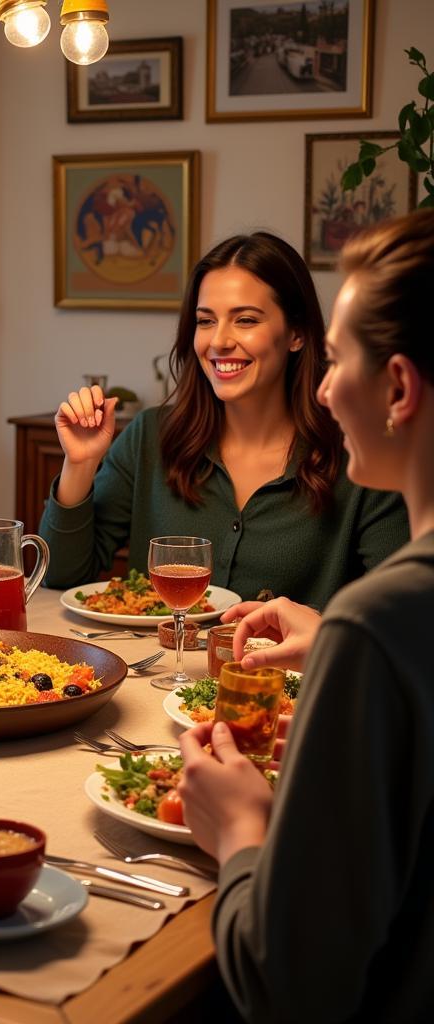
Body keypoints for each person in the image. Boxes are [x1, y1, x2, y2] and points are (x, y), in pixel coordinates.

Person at [178, 209, 434, 1021]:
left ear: (397, 387)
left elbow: (285, 984)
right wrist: (333, 644)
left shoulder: (380, 622)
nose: (323, 389)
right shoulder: (371, 629)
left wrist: (240, 826)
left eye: (337, 362)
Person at [39, 231, 408, 609]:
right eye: (205, 321)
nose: (219, 341)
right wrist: (80, 464)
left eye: (245, 320)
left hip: (295, 669)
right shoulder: (150, 436)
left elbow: (401, 616)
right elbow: (61, 576)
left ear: (296, 333)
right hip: (155, 669)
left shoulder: (360, 455)